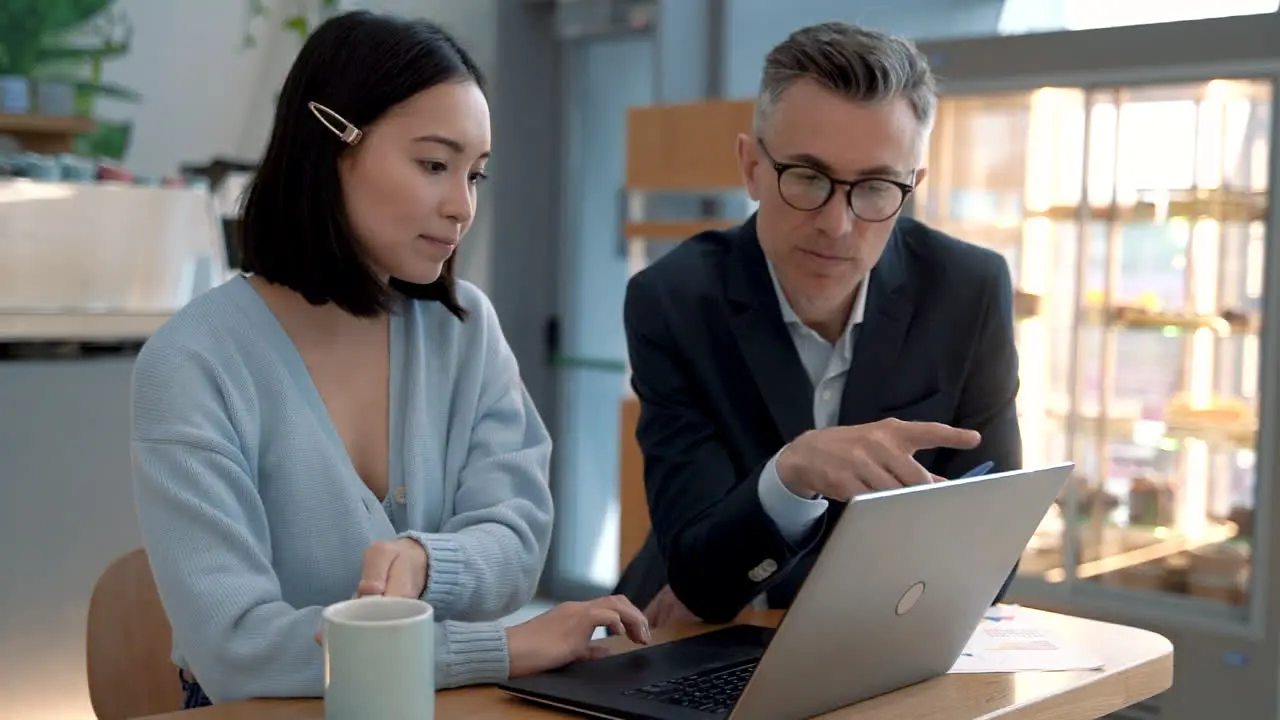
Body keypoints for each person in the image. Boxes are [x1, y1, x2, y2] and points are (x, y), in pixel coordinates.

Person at [131, 11, 647, 708]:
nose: (462, 206)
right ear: (329, 145)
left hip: (442, 702)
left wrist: (427, 562)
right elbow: (239, 650)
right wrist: (496, 647)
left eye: (476, 175)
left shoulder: (465, 328)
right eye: (434, 164)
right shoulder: (192, 362)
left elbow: (519, 539)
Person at [614, 21, 1023, 628]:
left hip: (873, 632)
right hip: (695, 627)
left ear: (912, 189)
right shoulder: (674, 300)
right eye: (807, 178)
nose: (837, 225)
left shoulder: (969, 290)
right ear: (751, 167)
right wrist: (790, 475)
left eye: (877, 187)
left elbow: (994, 546)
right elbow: (700, 575)